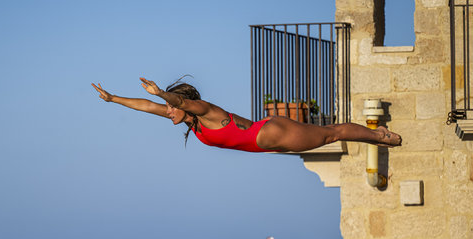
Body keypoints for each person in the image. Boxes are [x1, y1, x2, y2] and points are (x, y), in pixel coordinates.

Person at [92, 78, 401, 154]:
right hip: (270, 143)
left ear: (184, 103)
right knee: (328, 134)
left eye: (172, 106)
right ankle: (376, 137)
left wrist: (161, 93)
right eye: (168, 109)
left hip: (271, 134)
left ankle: (378, 135)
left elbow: (172, 102)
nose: (167, 111)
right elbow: (147, 108)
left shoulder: (204, 111)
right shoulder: (189, 119)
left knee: (330, 134)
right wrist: (112, 99)